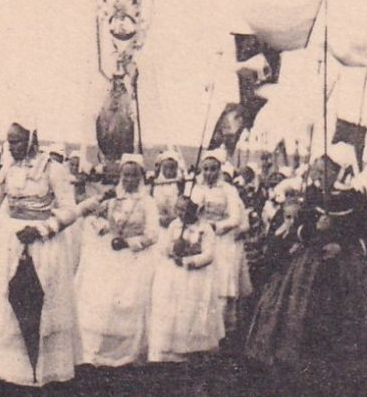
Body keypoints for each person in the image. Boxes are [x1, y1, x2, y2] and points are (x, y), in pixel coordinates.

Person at [245, 143, 367, 397]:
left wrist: (342, 246)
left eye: (327, 171)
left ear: (340, 171)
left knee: (338, 332)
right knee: (301, 330)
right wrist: (312, 230)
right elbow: (298, 229)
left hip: (345, 272)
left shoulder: (356, 199)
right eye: (319, 170)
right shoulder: (311, 196)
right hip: (308, 273)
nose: (320, 176)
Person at [0, 122, 80, 386]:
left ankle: (44, 374)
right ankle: (10, 374)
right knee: (6, 306)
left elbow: (70, 210)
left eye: (17, 142)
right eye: (9, 142)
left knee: (42, 305)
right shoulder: (7, 168)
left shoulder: (54, 169)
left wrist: (43, 229)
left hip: (42, 244)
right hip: (9, 243)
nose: (11, 147)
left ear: (32, 140)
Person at [74, 155, 159, 367]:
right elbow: (94, 217)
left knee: (130, 301)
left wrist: (130, 243)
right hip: (110, 254)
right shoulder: (113, 199)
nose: (129, 180)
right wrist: (104, 229)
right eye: (126, 175)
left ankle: (128, 352)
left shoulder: (147, 202)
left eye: (134, 176)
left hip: (135, 258)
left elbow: (153, 234)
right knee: (104, 301)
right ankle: (102, 350)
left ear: (141, 178)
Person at [146, 197, 222, 362]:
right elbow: (164, 247)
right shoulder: (175, 225)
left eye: (185, 210)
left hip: (195, 276)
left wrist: (190, 260)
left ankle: (193, 347)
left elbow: (209, 255)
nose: (181, 214)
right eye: (178, 209)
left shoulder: (205, 228)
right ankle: (173, 348)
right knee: (172, 309)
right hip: (174, 273)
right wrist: (172, 252)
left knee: (191, 309)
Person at [188, 149, 252, 335]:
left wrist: (216, 227)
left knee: (221, 282)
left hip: (222, 241)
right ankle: (199, 328)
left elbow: (235, 218)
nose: (209, 173)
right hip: (200, 238)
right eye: (205, 169)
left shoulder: (228, 191)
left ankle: (221, 330)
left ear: (219, 170)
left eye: (213, 169)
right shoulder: (196, 189)